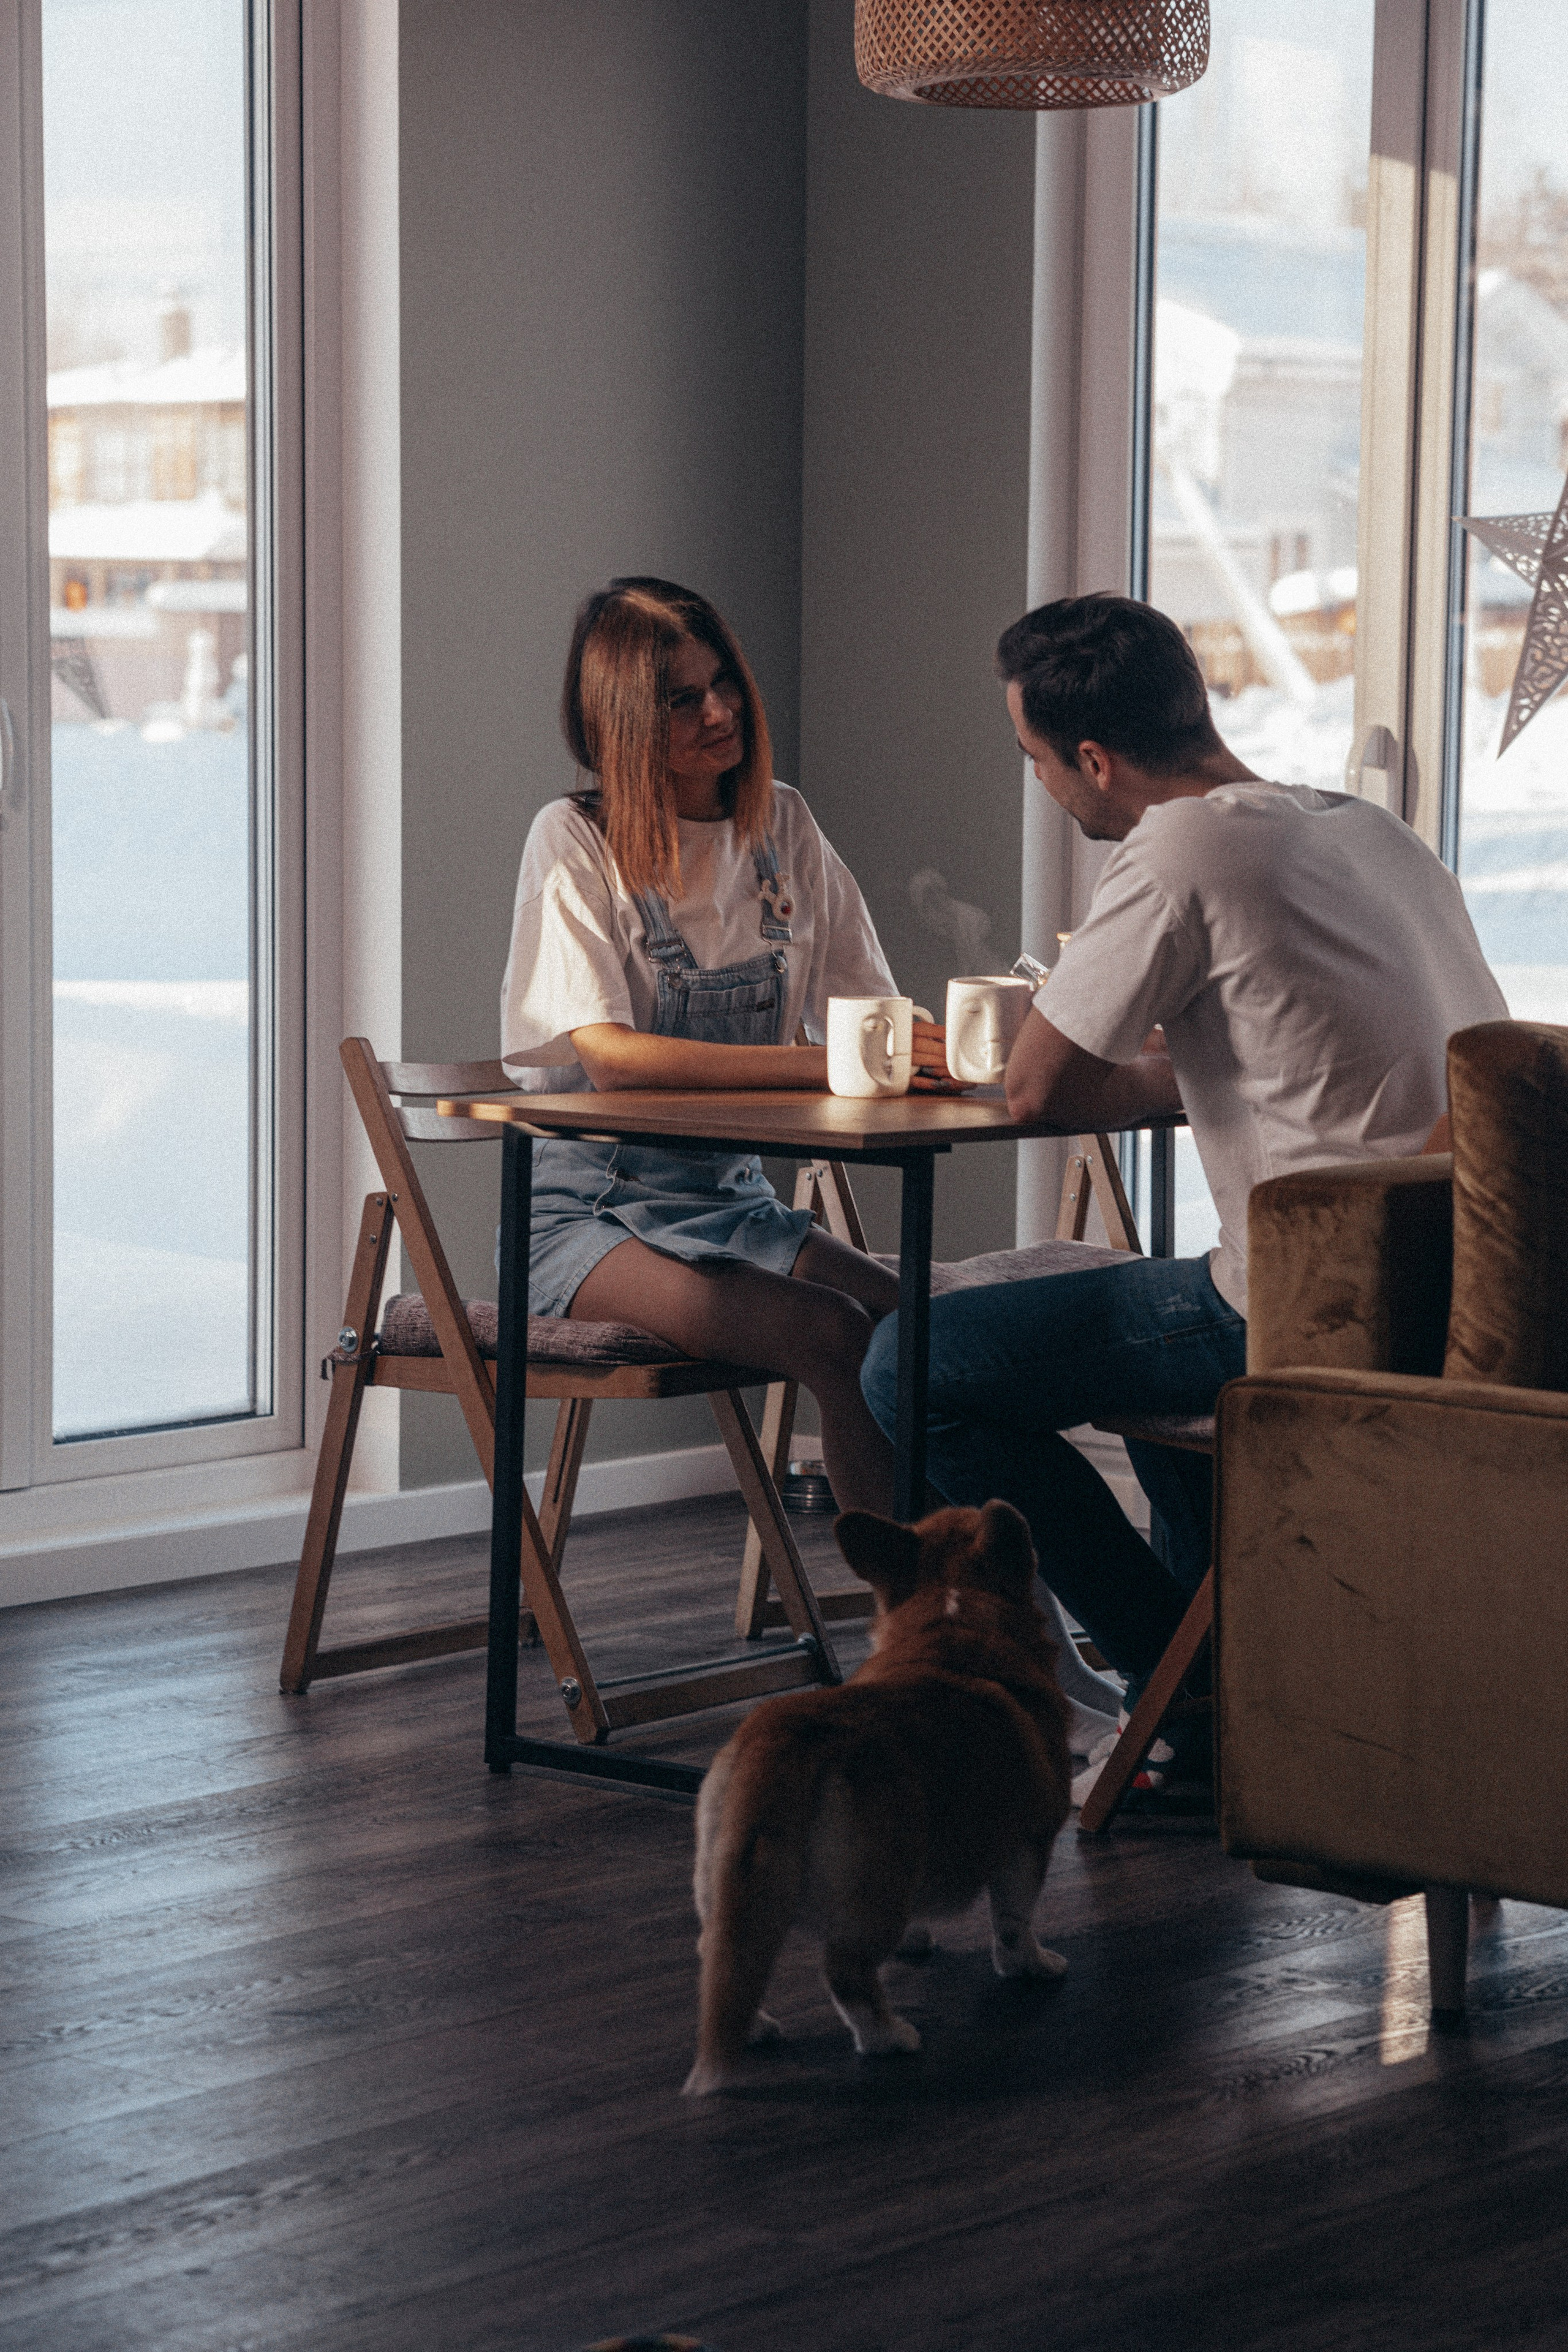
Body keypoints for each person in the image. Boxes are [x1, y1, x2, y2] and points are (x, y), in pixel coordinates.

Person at [859, 592, 1508, 1740]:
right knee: (1135, 1336)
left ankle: (1186, 1696)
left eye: (1036, 760)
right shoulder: (1371, 831)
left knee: (908, 1363)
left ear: (1094, 760)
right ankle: (1230, 1695)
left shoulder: (1179, 845)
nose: (1042, 786)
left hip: (1311, 1306)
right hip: (1454, 1291)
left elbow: (1038, 1089)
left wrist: (1129, 1069)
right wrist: (1181, 1062)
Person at [501, 575, 948, 1516]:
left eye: (724, 683)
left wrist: (965, 1053)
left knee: (928, 1326)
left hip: (735, 1203)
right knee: (833, 1334)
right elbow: (613, 1057)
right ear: (620, 720)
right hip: (590, 1221)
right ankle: (907, 1600)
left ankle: (966, 1585)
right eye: (682, 699)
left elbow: (870, 1013)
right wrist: (828, 1064)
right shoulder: (573, 839)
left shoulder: (781, 824)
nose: (719, 711)